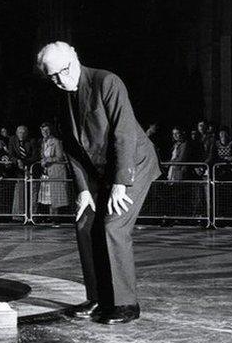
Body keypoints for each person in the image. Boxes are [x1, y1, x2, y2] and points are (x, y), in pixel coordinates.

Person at [36, 41, 161, 325]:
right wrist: (83, 190)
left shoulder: (107, 82)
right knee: (84, 221)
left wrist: (120, 183)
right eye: (51, 77)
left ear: (75, 60)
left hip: (132, 164)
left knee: (113, 225)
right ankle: (97, 298)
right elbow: (71, 147)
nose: (57, 81)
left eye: (61, 73)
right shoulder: (62, 94)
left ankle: (125, 303)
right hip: (97, 170)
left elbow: (124, 134)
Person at [37, 121, 71, 218]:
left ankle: (56, 218)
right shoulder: (43, 142)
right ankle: (50, 216)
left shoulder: (56, 141)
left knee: (56, 196)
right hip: (47, 171)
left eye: (47, 130)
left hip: (57, 170)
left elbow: (60, 157)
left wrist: (48, 160)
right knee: (48, 196)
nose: (45, 132)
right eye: (43, 130)